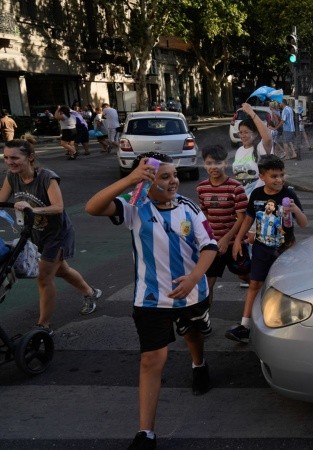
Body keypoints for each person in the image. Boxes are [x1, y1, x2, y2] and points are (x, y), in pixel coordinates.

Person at [85, 152, 217, 450]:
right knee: (151, 359)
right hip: (151, 298)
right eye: (165, 176)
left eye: (174, 175)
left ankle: (199, 364)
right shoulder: (134, 208)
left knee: (193, 334)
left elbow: (209, 245)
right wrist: (130, 180)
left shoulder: (189, 208)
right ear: (147, 181)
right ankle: (146, 433)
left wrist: (195, 277)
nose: (173, 181)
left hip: (191, 293)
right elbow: (93, 207)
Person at [0, 137, 102, 335]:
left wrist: (32, 209)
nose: (10, 162)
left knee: (44, 277)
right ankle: (91, 293)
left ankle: (43, 325)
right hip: (35, 233)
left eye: (15, 158)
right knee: (61, 270)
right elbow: (1, 199)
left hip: (57, 234)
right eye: (6, 158)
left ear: (30, 157)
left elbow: (58, 207)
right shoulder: (12, 177)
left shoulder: (47, 177)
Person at [227, 155, 308, 343]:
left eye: (281, 175)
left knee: (285, 287)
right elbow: (248, 218)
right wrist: (238, 239)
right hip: (261, 249)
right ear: (262, 176)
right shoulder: (256, 195)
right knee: (255, 284)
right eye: (274, 176)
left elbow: (304, 223)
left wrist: (295, 209)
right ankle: (245, 326)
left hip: (285, 250)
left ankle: (286, 324)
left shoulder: (289, 195)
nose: (279, 180)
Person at [196, 144, 251, 300]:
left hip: (235, 242)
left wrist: (228, 239)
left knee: (245, 275)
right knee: (209, 282)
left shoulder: (236, 187)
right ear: (204, 164)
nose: (214, 167)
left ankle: (260, 297)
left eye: (218, 163)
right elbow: (205, 214)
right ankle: (203, 317)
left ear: (225, 163)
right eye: (209, 163)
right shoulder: (202, 188)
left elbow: (242, 217)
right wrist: (206, 238)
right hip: (213, 244)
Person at [232, 102, 271, 198]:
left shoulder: (260, 147)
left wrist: (251, 112)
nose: (243, 135)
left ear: (255, 134)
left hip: (258, 200)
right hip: (241, 201)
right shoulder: (239, 150)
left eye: (246, 132)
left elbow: (268, 138)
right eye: (241, 132)